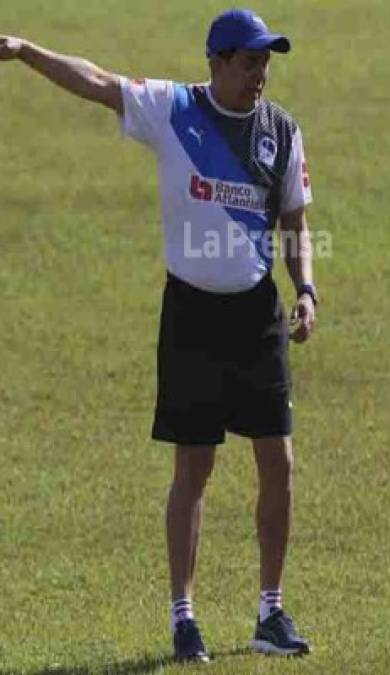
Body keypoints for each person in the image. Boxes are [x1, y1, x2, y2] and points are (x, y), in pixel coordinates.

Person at [0, 8, 316, 662]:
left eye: (266, 61)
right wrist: (27, 50)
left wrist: (306, 288)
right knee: (193, 466)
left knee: (277, 462)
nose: (261, 73)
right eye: (250, 60)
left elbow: (295, 221)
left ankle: (270, 611)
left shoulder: (282, 132)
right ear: (217, 62)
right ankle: (184, 618)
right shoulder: (171, 108)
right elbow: (94, 81)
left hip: (256, 314)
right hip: (192, 316)